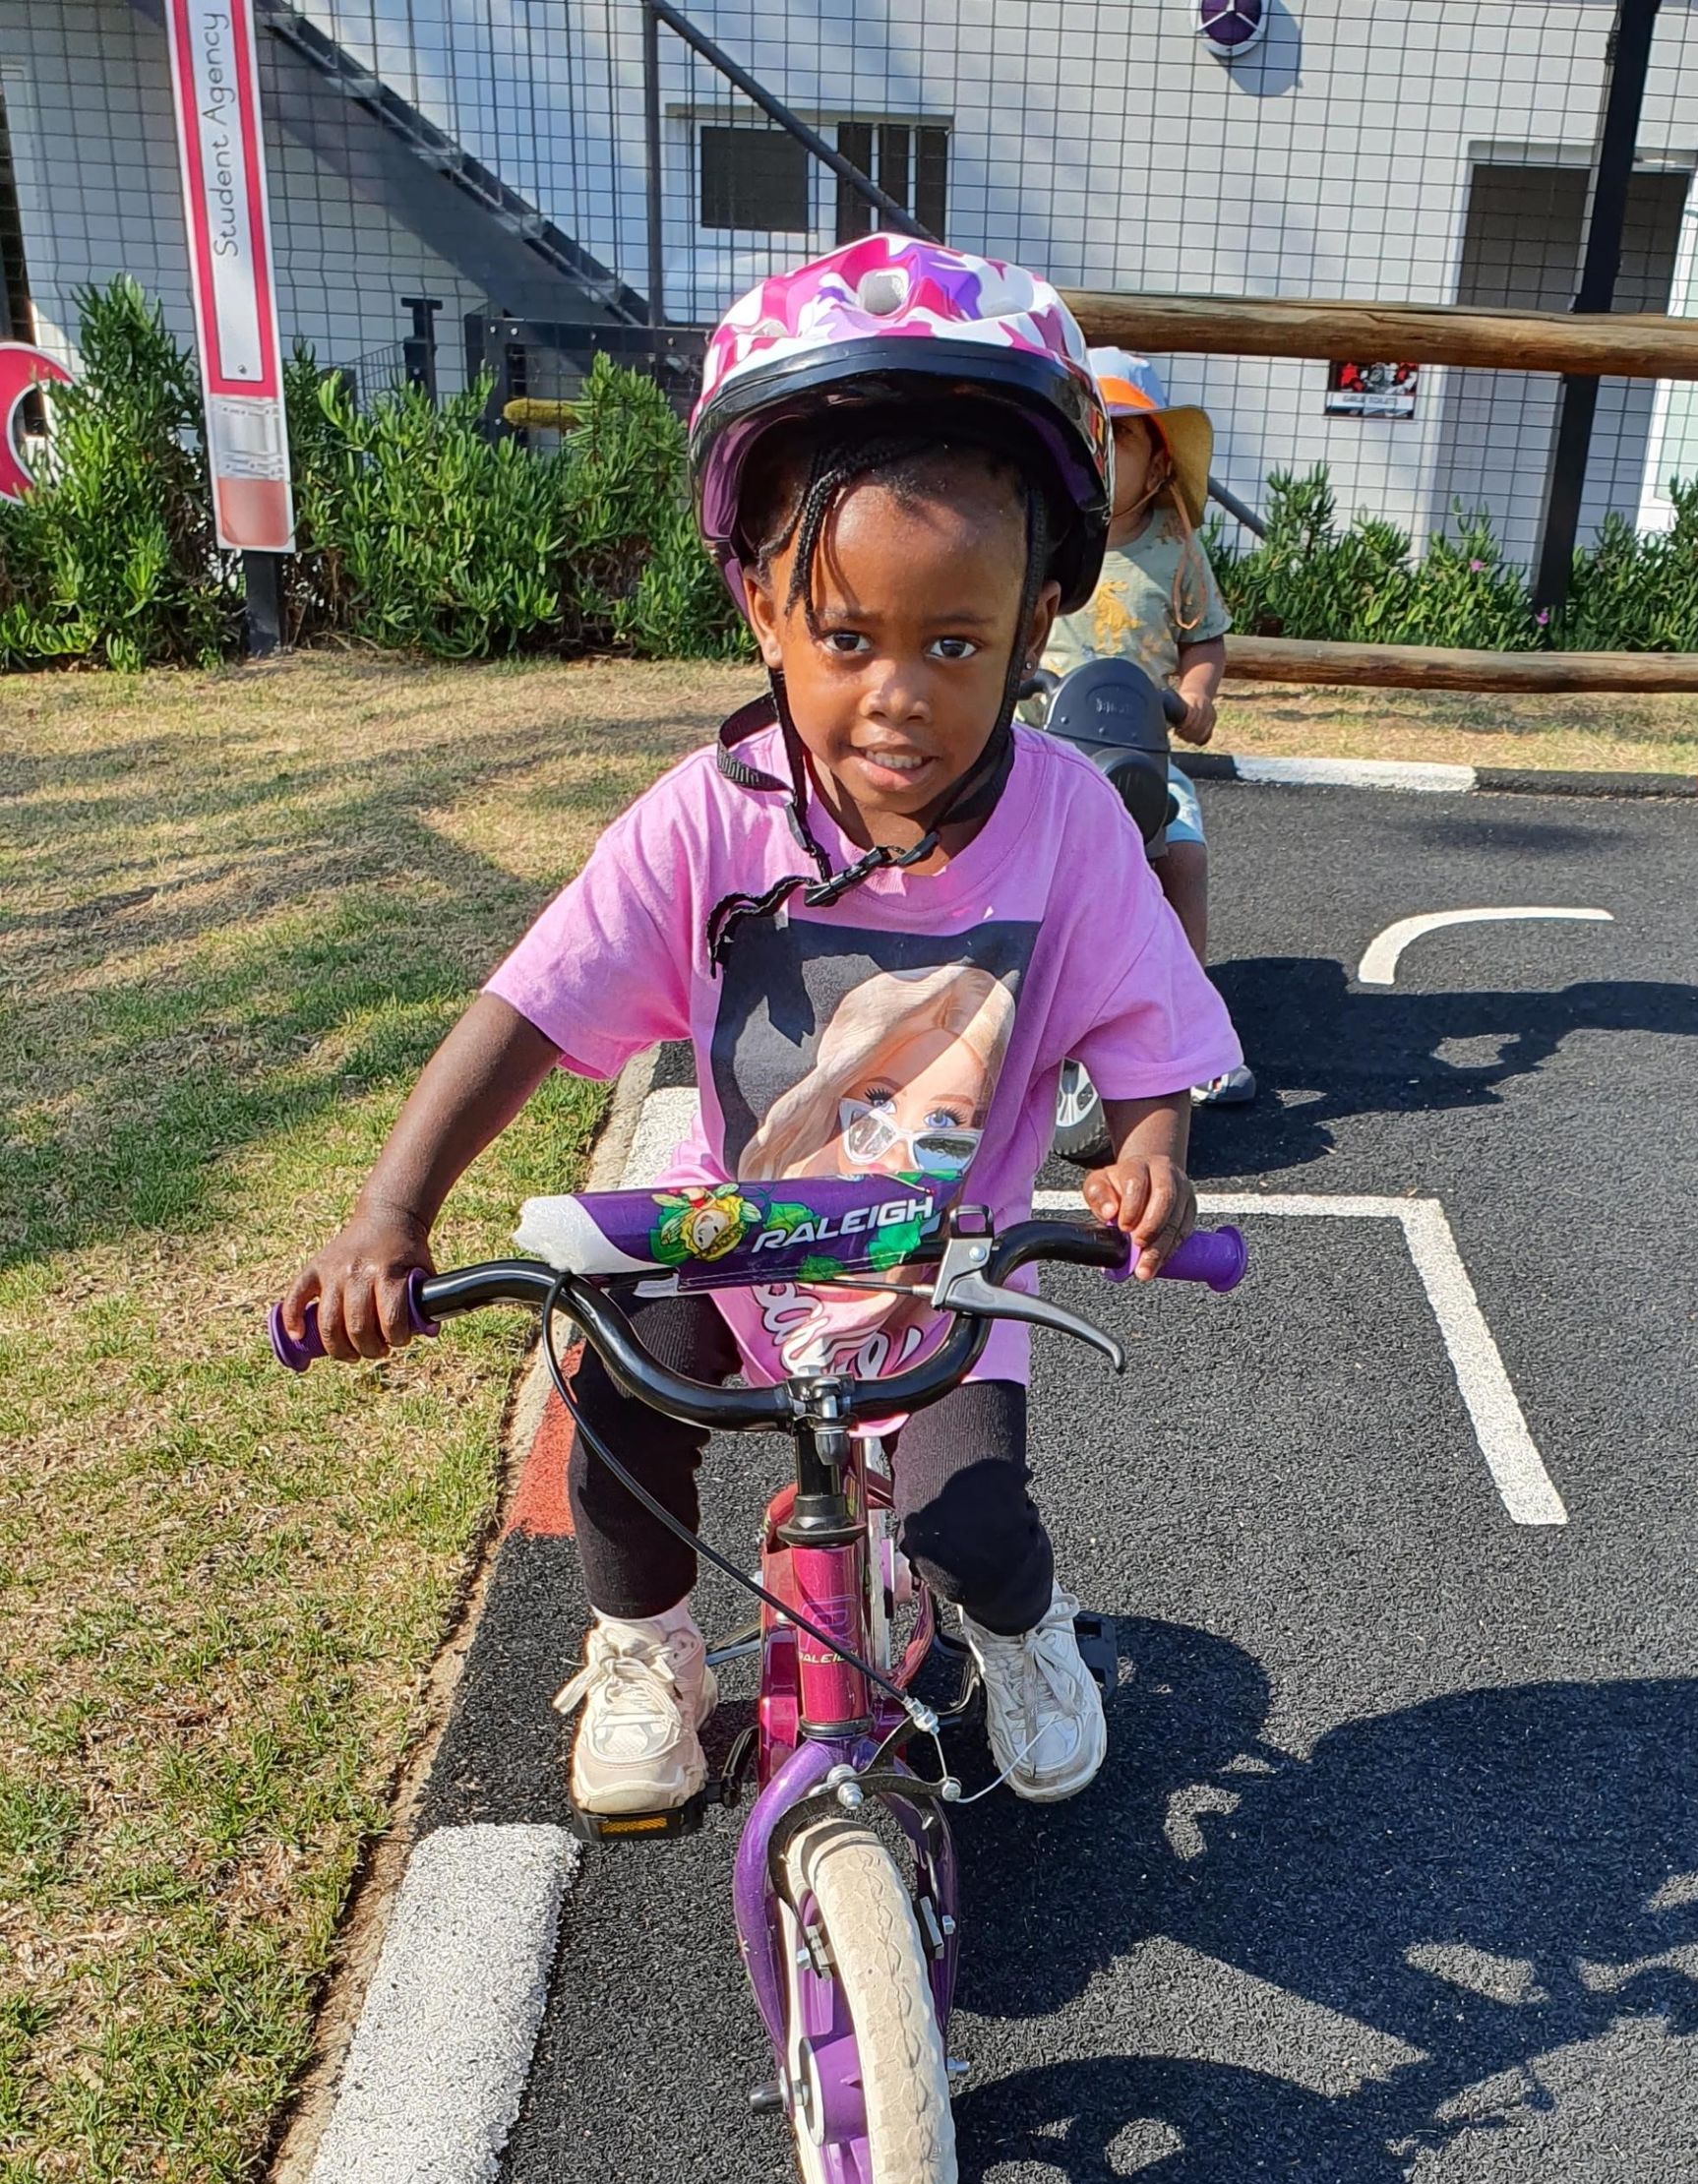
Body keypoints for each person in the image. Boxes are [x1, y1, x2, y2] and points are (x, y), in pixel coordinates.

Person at [277, 236, 1240, 1821]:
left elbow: (1148, 1027)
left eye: (955, 645)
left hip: (941, 1270)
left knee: (975, 1522)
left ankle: (1021, 1626)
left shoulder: (1067, 825)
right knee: (618, 1393)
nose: (899, 702)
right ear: (761, 609)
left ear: (1037, 616)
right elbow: (528, 1006)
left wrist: (1151, 1151)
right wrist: (392, 1213)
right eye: (848, 638)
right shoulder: (706, 822)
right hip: (741, 1247)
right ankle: (649, 1642)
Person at [1042, 348, 1255, 1109]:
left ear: (1158, 460)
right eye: (1088, 435)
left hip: (1142, 749)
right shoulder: (1047, 533)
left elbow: (1205, 638)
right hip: (1043, 748)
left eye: (1121, 437)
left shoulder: (1175, 544)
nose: (1101, 452)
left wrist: (1197, 691)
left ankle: (1186, 1024)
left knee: (1184, 857)